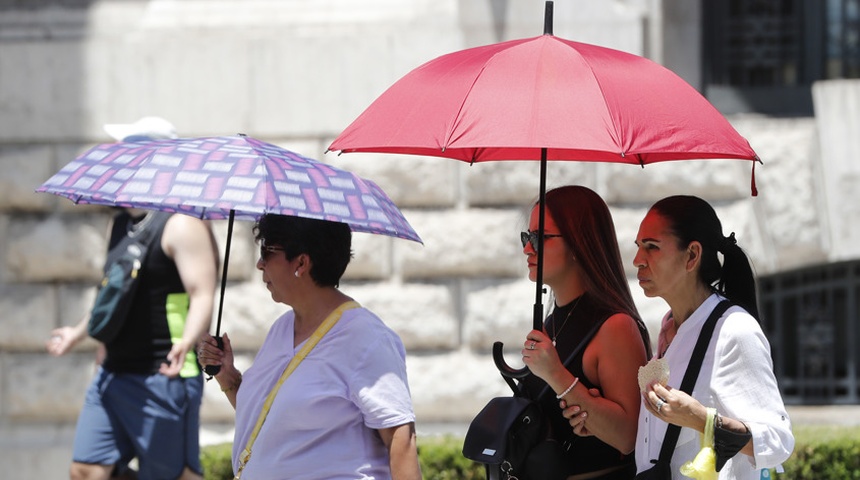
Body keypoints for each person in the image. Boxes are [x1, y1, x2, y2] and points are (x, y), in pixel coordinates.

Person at [46, 118, 220, 480]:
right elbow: (113, 292)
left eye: (122, 152)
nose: (114, 163)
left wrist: (187, 342)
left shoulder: (182, 223)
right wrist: (79, 333)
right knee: (86, 470)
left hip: (162, 372)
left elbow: (202, 293)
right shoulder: (121, 223)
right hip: (114, 370)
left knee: (173, 476)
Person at [197, 214, 421, 480]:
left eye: (267, 251)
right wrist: (227, 375)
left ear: (301, 262)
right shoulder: (282, 328)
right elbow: (272, 419)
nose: (259, 264)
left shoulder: (366, 338)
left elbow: (401, 440)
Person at [629, 195, 794, 479]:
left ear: (692, 255)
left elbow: (778, 442)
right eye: (639, 247)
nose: (637, 260)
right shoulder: (669, 328)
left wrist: (701, 419)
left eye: (652, 247)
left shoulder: (735, 330)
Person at [519, 185, 651, 479]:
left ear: (579, 243)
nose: (528, 248)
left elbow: (628, 437)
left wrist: (557, 375)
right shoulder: (551, 324)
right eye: (526, 237)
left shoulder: (614, 326)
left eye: (540, 238)